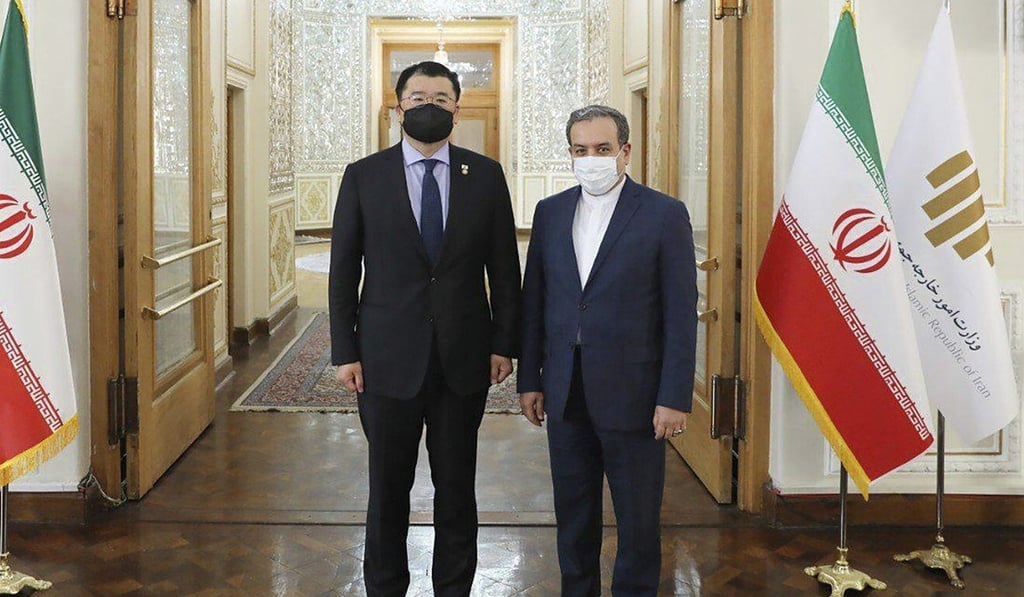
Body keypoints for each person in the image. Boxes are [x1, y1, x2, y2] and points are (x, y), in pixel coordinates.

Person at [329, 61, 521, 597]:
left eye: (440, 98)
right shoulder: (364, 176)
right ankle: (384, 587)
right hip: (385, 361)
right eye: (417, 98)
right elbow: (343, 270)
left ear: (456, 110)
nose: (428, 106)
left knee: (456, 487)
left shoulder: (486, 176)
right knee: (387, 489)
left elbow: (505, 270)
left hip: (464, 359)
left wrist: (504, 344)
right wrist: (345, 350)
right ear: (398, 109)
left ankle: (454, 588)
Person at [517, 105, 698, 596]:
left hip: (635, 395)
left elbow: (680, 314)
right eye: (581, 150)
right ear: (570, 153)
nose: (591, 159)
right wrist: (530, 379)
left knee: (637, 522)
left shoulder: (664, 214)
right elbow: (535, 301)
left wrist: (674, 396)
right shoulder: (550, 212)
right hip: (565, 390)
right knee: (573, 516)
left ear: (625, 151)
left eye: (602, 149)